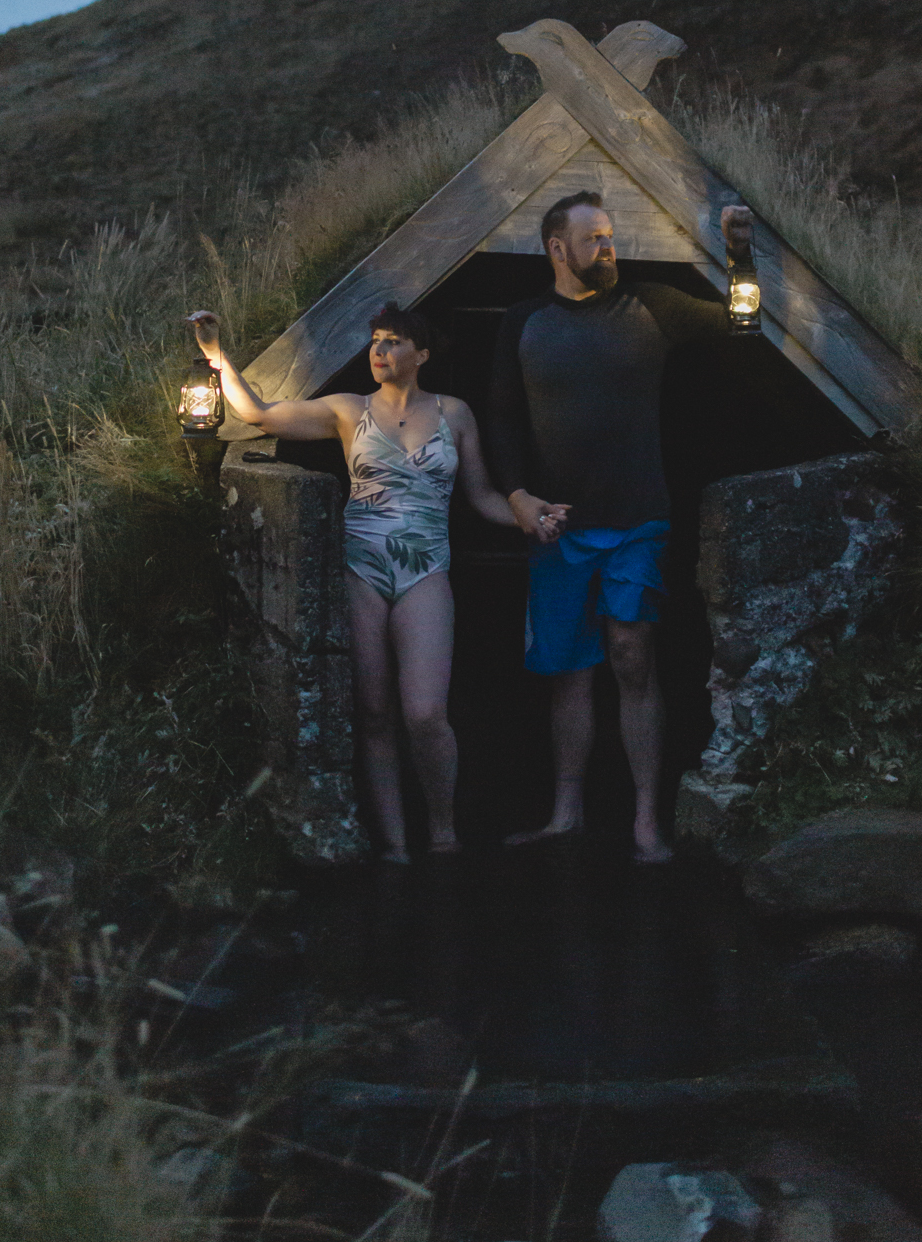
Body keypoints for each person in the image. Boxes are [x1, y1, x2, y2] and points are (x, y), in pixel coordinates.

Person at [187, 303, 563, 863]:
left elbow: (482, 496)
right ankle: (393, 845)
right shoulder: (348, 409)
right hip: (361, 564)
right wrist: (218, 357)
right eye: (375, 341)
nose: (379, 351)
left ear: (422, 354)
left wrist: (530, 517)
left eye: (392, 341)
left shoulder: (454, 413)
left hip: (426, 568)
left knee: (424, 712)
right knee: (375, 711)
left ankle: (442, 830)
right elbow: (261, 414)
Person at [488, 191, 755, 863]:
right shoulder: (523, 321)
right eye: (594, 239)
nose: (608, 248)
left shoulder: (652, 306)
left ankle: (644, 823)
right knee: (570, 673)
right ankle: (565, 816)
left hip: (637, 517)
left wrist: (739, 253)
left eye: (609, 237)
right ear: (557, 249)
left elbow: (739, 321)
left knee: (632, 656)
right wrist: (518, 497)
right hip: (557, 526)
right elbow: (502, 419)